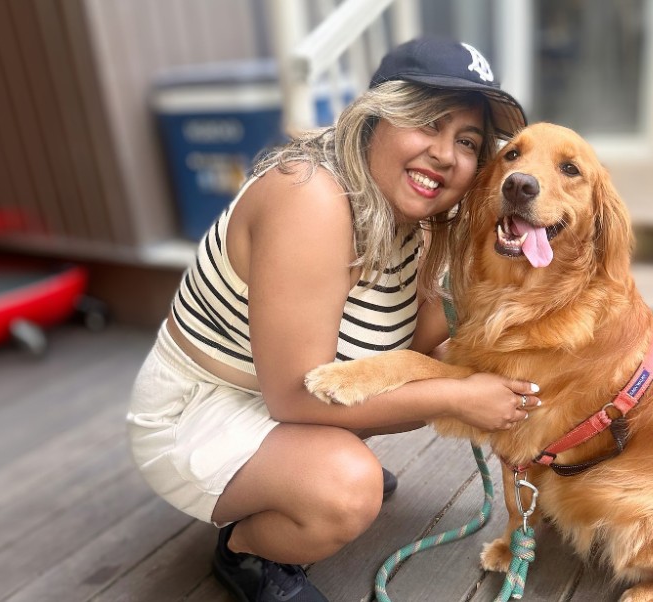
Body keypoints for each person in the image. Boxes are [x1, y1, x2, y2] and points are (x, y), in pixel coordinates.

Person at [126, 37, 536, 602]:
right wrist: (459, 397)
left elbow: (406, 342)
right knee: (347, 488)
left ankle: (301, 468)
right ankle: (248, 550)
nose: (445, 154)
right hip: (195, 409)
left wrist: (492, 286)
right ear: (375, 118)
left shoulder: (410, 216)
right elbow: (296, 398)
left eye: (467, 141)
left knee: (414, 379)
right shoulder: (311, 197)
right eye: (427, 122)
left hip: (271, 392)